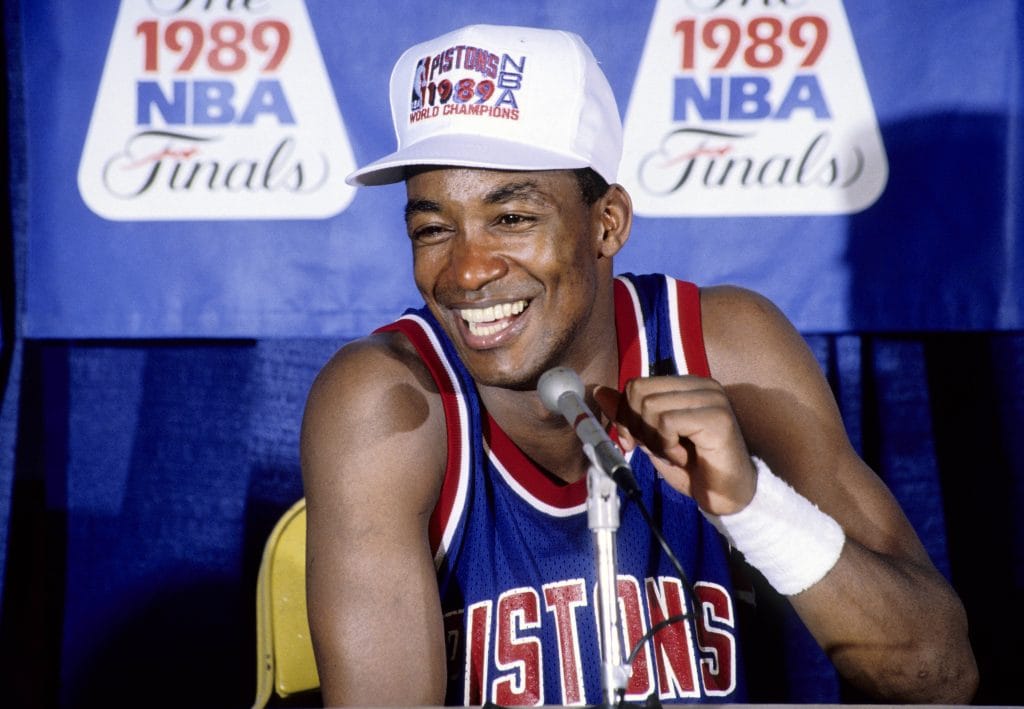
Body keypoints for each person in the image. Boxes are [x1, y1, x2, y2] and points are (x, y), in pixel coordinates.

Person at [300, 23, 977, 707]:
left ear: (608, 223)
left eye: (511, 218)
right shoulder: (386, 400)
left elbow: (940, 675)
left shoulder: (724, 348)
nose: (468, 271)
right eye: (433, 229)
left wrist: (753, 505)